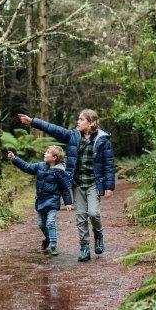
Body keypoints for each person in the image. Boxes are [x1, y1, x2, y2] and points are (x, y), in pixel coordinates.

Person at [17, 110, 115, 262]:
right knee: (81, 216)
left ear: (91, 123)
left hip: (94, 183)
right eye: (78, 119)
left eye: (81, 119)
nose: (78, 122)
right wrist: (33, 122)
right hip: (77, 183)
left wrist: (109, 186)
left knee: (94, 213)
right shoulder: (73, 136)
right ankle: (84, 248)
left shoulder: (103, 140)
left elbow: (108, 165)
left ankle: (99, 234)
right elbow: (53, 128)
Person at [7, 145, 73, 256]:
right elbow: (26, 167)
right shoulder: (40, 166)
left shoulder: (60, 172)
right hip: (41, 200)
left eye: (47, 152)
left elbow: (64, 189)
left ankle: (53, 245)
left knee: (50, 222)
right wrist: (14, 158)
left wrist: (68, 203)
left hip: (52, 201)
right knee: (41, 224)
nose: (45, 153)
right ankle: (48, 238)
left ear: (54, 157)